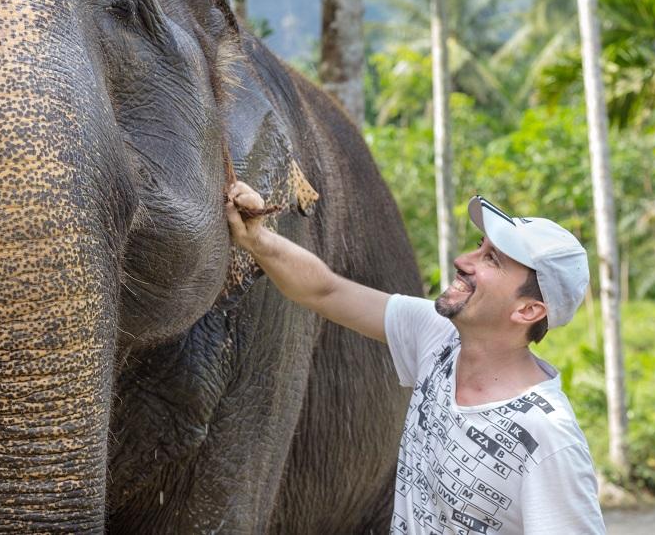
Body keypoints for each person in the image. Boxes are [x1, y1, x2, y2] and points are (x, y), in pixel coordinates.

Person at [225, 181, 604, 534]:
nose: (464, 261)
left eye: (492, 260)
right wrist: (258, 238)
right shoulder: (439, 337)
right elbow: (325, 291)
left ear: (528, 311)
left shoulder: (548, 436)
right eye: (479, 246)